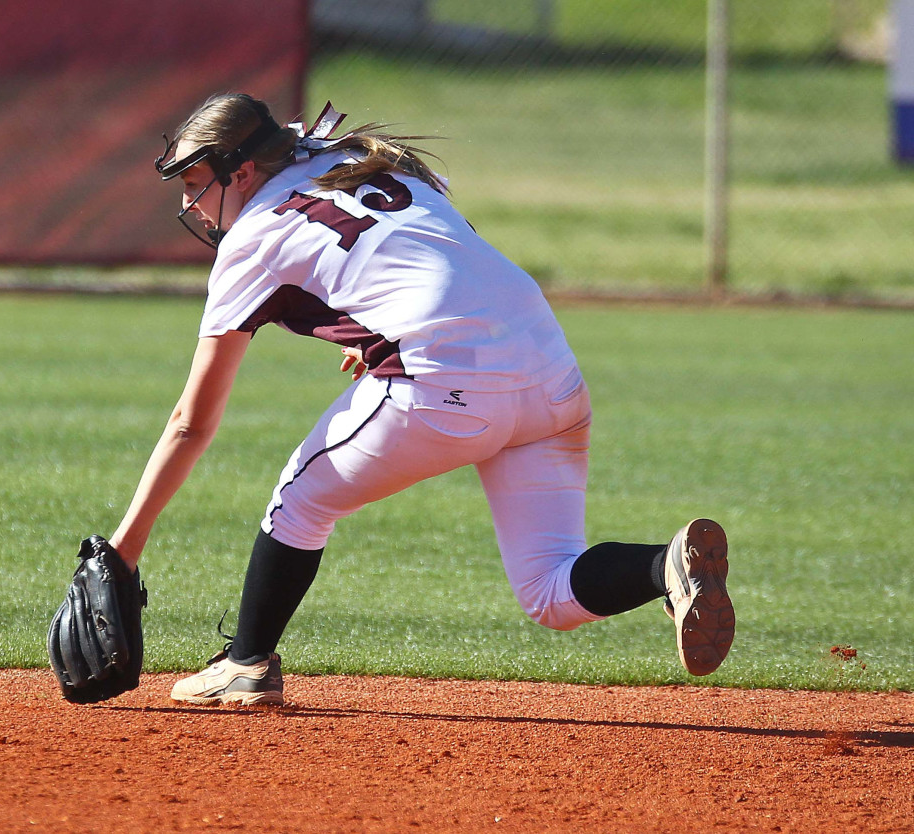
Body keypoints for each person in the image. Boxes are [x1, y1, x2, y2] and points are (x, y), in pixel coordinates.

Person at [108, 93, 735, 706]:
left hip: (444, 379)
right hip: (549, 369)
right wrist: (389, 323)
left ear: (242, 170)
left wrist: (124, 551)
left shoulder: (252, 237)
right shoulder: (341, 154)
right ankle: (666, 567)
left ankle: (245, 664)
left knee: (298, 502)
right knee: (549, 591)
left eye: (195, 180)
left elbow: (191, 423)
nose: (190, 200)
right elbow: (435, 250)